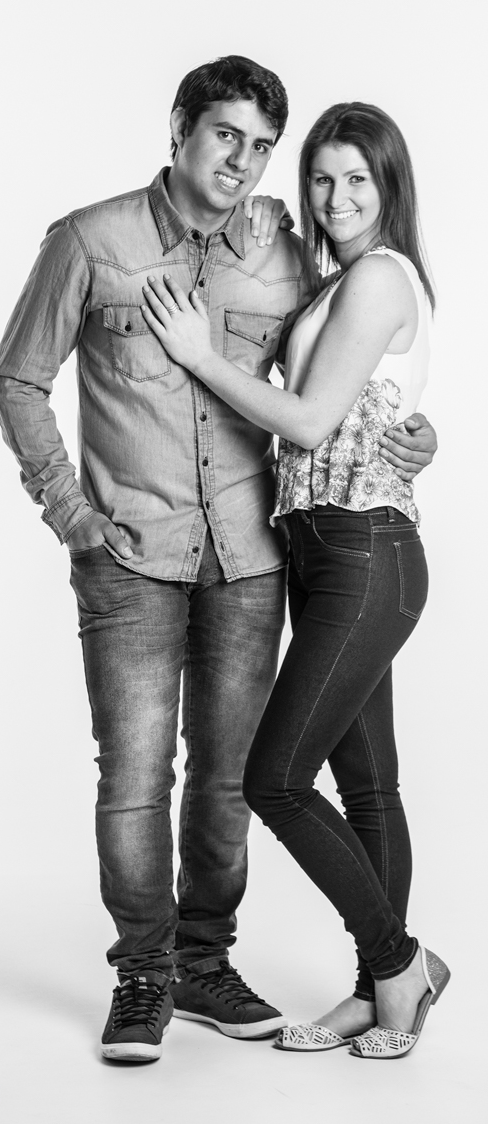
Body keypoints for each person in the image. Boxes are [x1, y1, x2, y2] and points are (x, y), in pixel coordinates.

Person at [0, 57, 437, 1063]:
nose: (243, 161)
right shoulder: (88, 241)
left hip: (252, 556)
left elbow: (349, 376)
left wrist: (420, 433)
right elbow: (16, 379)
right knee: (135, 777)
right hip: (128, 552)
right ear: (181, 128)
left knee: (236, 778)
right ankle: (144, 973)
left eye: (262, 146)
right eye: (226, 134)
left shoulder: (285, 250)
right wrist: (71, 513)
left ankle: (206, 960)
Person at [140, 100, 448, 1060]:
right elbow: (361, 410)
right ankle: (379, 992)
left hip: (366, 550)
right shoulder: (332, 284)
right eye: (321, 177)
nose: (336, 197)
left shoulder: (381, 276)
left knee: (274, 778)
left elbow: (309, 421)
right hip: (320, 547)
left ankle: (400, 963)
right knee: (368, 786)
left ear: (389, 187)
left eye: (358, 179)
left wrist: (197, 355)